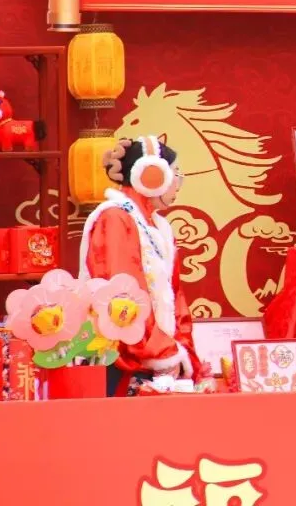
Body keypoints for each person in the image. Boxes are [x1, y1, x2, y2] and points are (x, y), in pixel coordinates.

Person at [79, 135, 200, 396]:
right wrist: (162, 351)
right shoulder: (114, 217)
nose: (178, 184)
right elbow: (124, 298)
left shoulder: (159, 226)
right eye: (175, 174)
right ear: (152, 175)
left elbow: (175, 296)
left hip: (155, 354)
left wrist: (179, 348)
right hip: (119, 356)